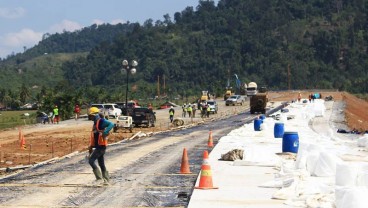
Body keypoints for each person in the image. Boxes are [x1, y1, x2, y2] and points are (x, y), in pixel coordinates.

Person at [88, 107, 114, 185]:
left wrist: (105, 132)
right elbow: (95, 136)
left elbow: (111, 124)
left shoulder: (101, 121)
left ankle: (99, 179)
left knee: (91, 161)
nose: (89, 117)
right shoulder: (95, 123)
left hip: (101, 146)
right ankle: (106, 180)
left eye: (90, 116)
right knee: (101, 163)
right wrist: (91, 146)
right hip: (99, 146)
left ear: (94, 115)